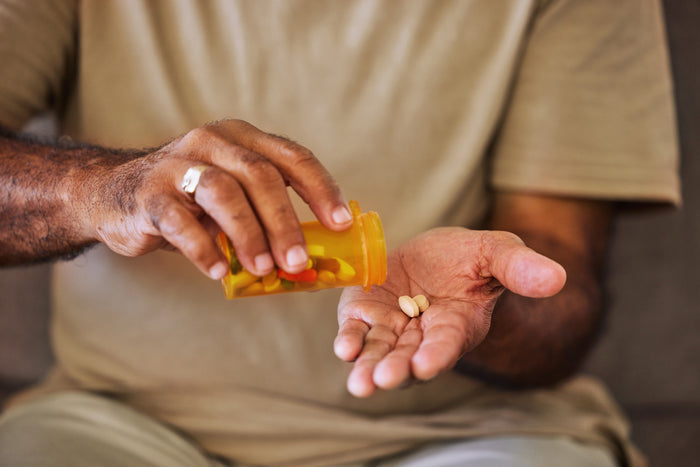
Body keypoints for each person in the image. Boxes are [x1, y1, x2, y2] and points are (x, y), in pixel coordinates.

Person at [0, 1, 679, 466]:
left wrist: (483, 302)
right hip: (117, 421)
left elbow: (561, 286)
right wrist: (98, 190)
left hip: (467, 435)